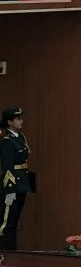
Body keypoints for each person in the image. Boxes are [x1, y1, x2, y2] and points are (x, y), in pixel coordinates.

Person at [0, 107, 33, 251]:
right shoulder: (7, 140)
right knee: (7, 222)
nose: (21, 121)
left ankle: (12, 253)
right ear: (9, 122)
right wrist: (10, 189)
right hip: (12, 185)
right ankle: (5, 253)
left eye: (21, 118)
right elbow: (7, 167)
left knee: (15, 220)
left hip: (22, 184)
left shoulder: (20, 137)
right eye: (18, 119)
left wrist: (26, 184)